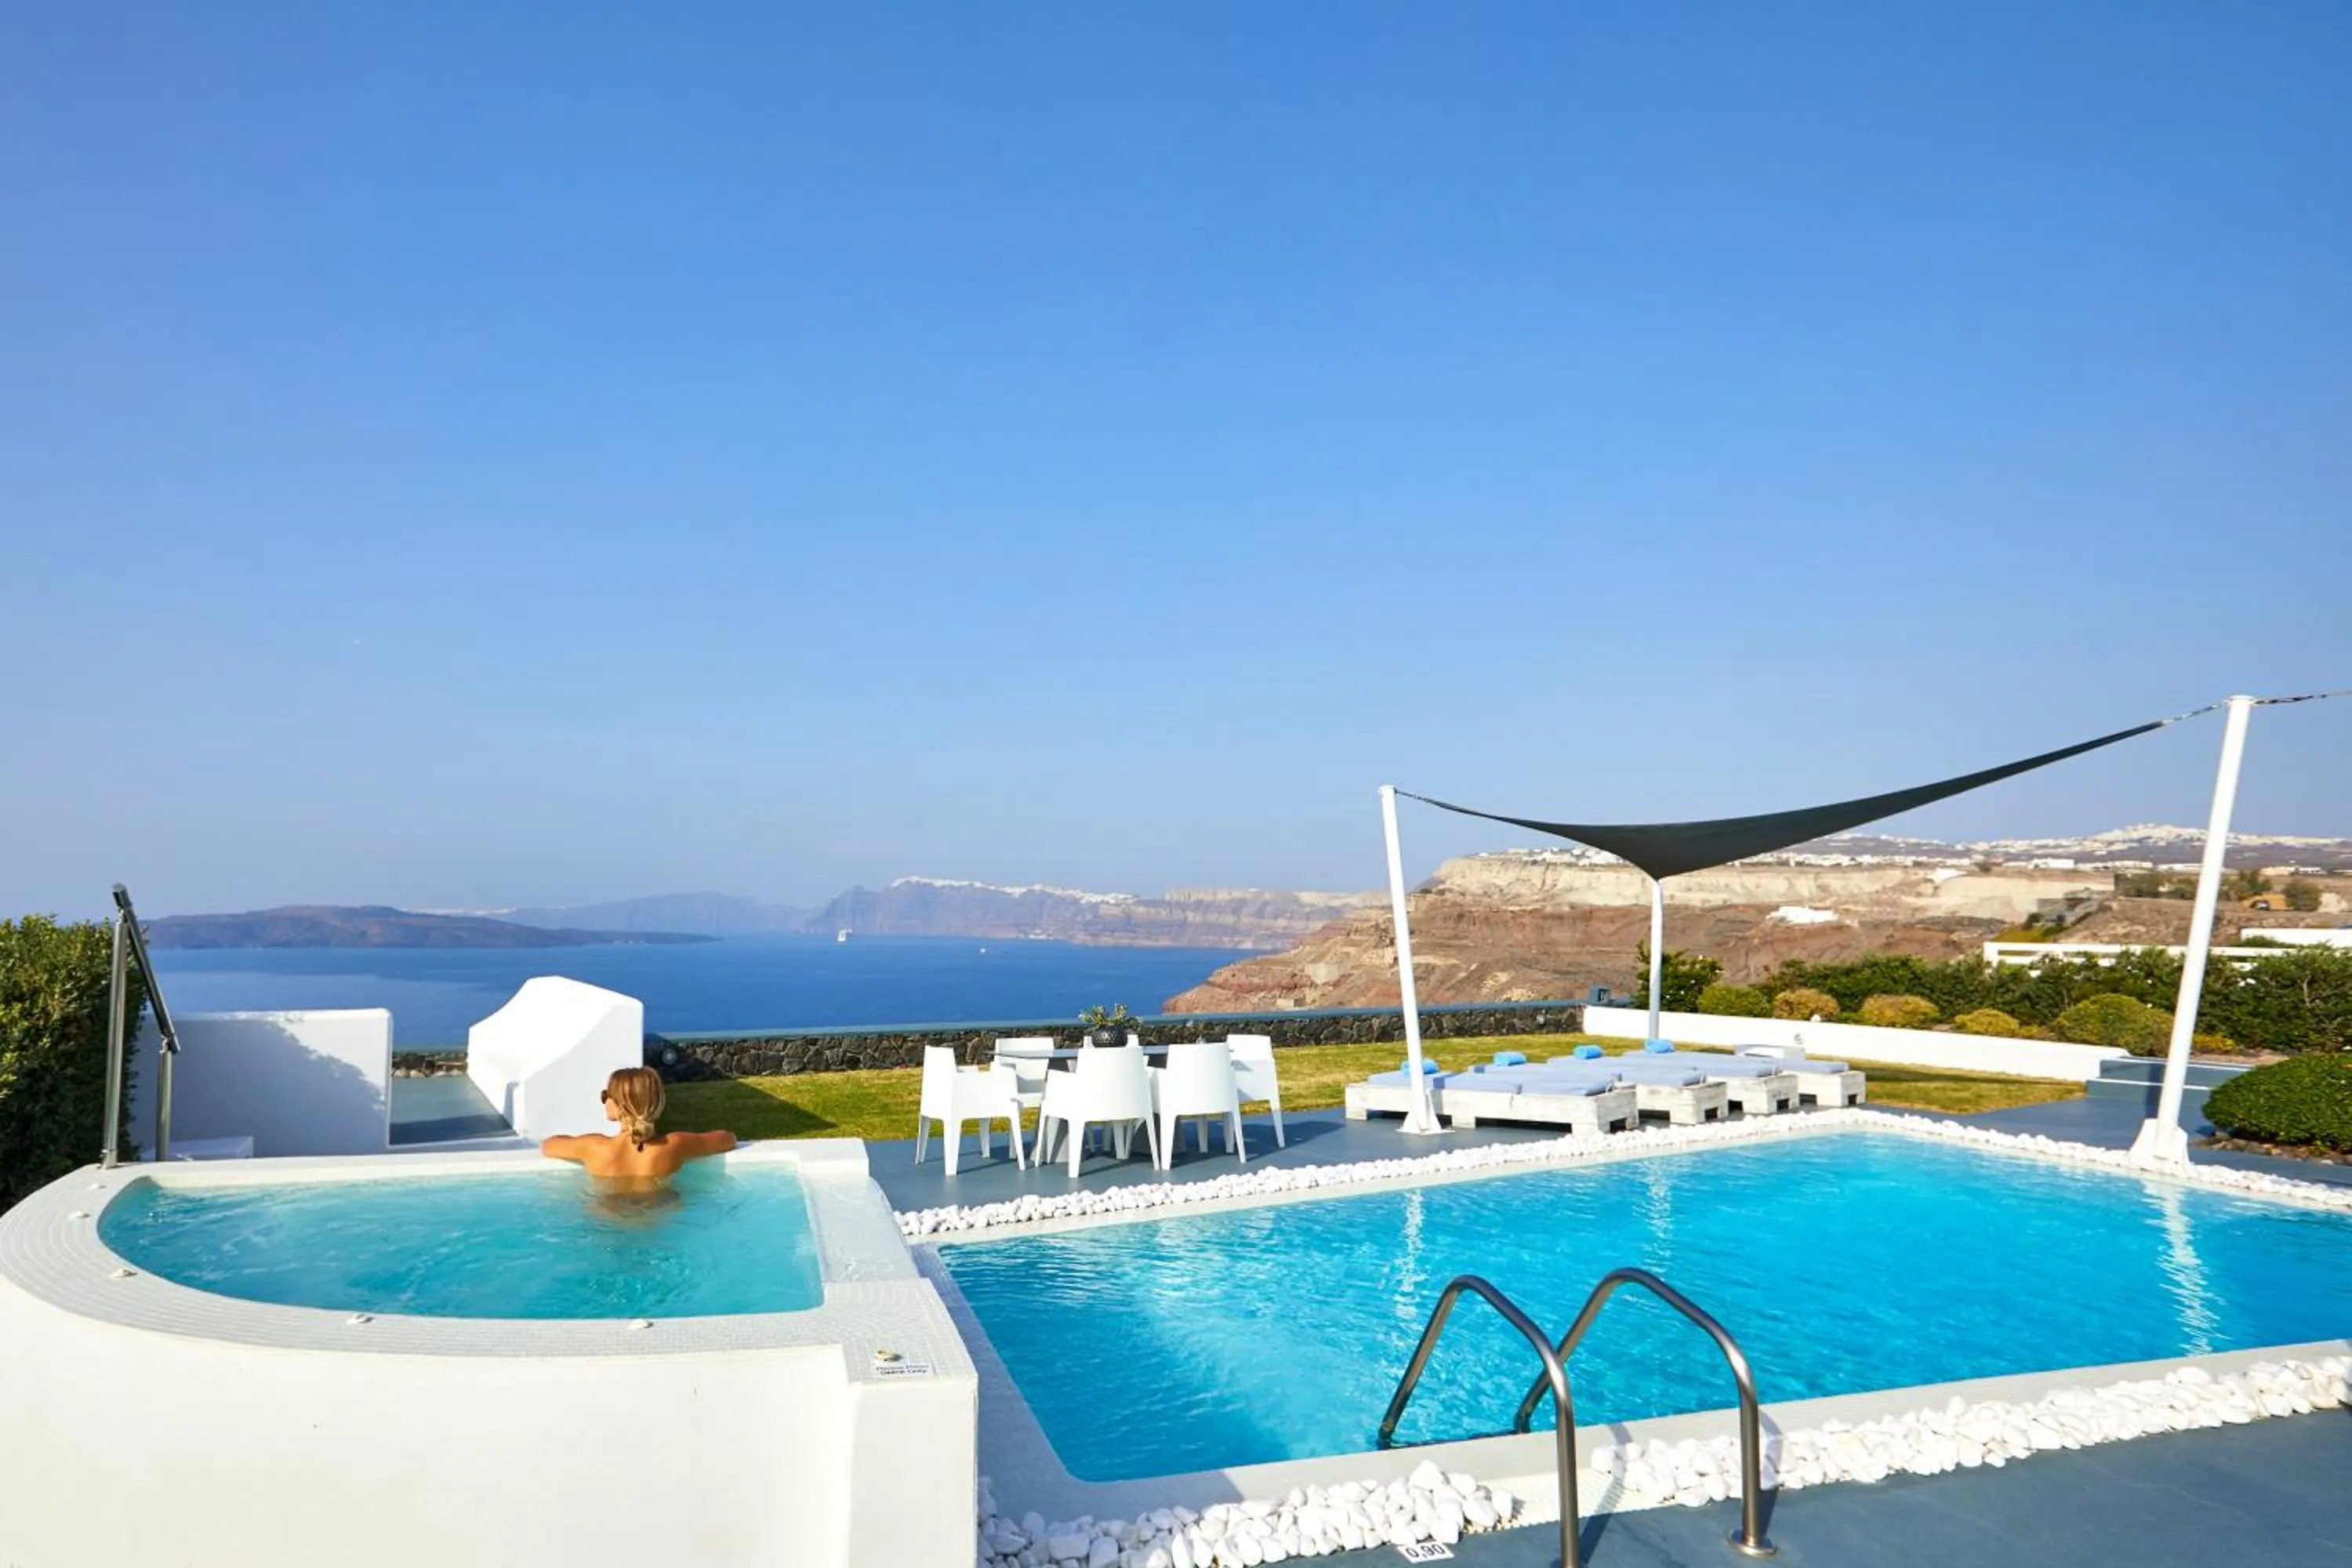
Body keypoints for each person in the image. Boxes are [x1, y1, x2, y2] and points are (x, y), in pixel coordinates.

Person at [540, 1066, 737, 1188]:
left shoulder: (593, 1146)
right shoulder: (675, 1144)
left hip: (608, 1221)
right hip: (658, 1220)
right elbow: (728, 1138)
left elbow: (548, 1145)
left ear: (622, 1106)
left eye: (605, 1096)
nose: (603, 1101)